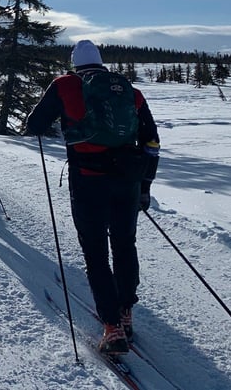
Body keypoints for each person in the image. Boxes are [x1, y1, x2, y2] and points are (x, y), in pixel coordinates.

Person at [25, 40, 160, 356]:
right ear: (100, 63)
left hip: (88, 182)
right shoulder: (129, 91)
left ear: (75, 64)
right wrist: (145, 186)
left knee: (96, 253)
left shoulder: (65, 84)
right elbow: (152, 140)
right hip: (127, 182)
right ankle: (126, 313)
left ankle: (111, 327)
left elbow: (34, 124)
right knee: (125, 244)